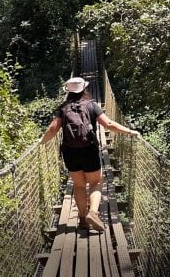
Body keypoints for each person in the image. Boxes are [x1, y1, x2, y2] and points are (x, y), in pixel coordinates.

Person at [40, 77, 140, 231]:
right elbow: (108, 124)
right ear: (84, 89)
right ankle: (93, 213)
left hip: (70, 152)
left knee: (79, 186)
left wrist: (41, 142)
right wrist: (129, 131)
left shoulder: (62, 108)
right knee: (95, 183)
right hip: (89, 150)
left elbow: (53, 129)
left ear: (68, 91)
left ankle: (82, 220)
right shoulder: (92, 105)